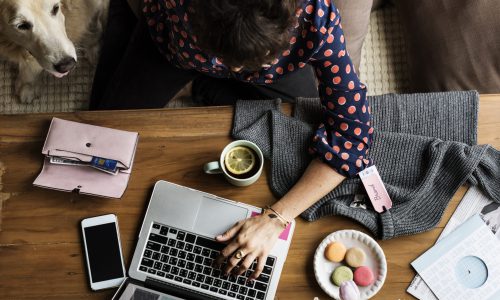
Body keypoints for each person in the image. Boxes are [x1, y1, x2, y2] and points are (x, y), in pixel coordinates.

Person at [90, 0, 373, 281]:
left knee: (293, 126)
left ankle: (206, 89)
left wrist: (277, 218)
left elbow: (352, 134)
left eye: (255, 60)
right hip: (172, 49)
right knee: (102, 138)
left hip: (275, 72)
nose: (237, 71)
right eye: (228, 62)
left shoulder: (315, 19)